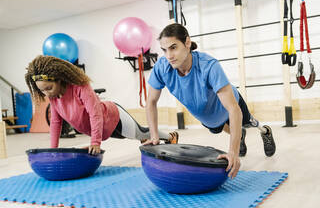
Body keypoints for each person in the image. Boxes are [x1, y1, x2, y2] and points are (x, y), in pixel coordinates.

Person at [144, 23, 276, 179]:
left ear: (187, 43)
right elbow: (151, 101)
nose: (169, 56)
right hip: (207, 116)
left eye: (173, 47)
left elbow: (234, 109)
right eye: (164, 50)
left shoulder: (209, 66)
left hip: (230, 106)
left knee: (246, 122)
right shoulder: (162, 67)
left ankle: (265, 131)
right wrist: (154, 136)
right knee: (218, 128)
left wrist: (232, 152)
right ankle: (239, 135)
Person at [25, 55, 178, 155]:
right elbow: (56, 122)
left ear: (59, 79)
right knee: (138, 136)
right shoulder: (54, 98)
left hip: (113, 117)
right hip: (104, 130)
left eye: (49, 88)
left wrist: (95, 142)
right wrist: (54, 150)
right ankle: (144, 138)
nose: (47, 94)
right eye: (42, 91)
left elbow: (95, 114)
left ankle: (171, 136)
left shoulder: (80, 86)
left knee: (142, 133)